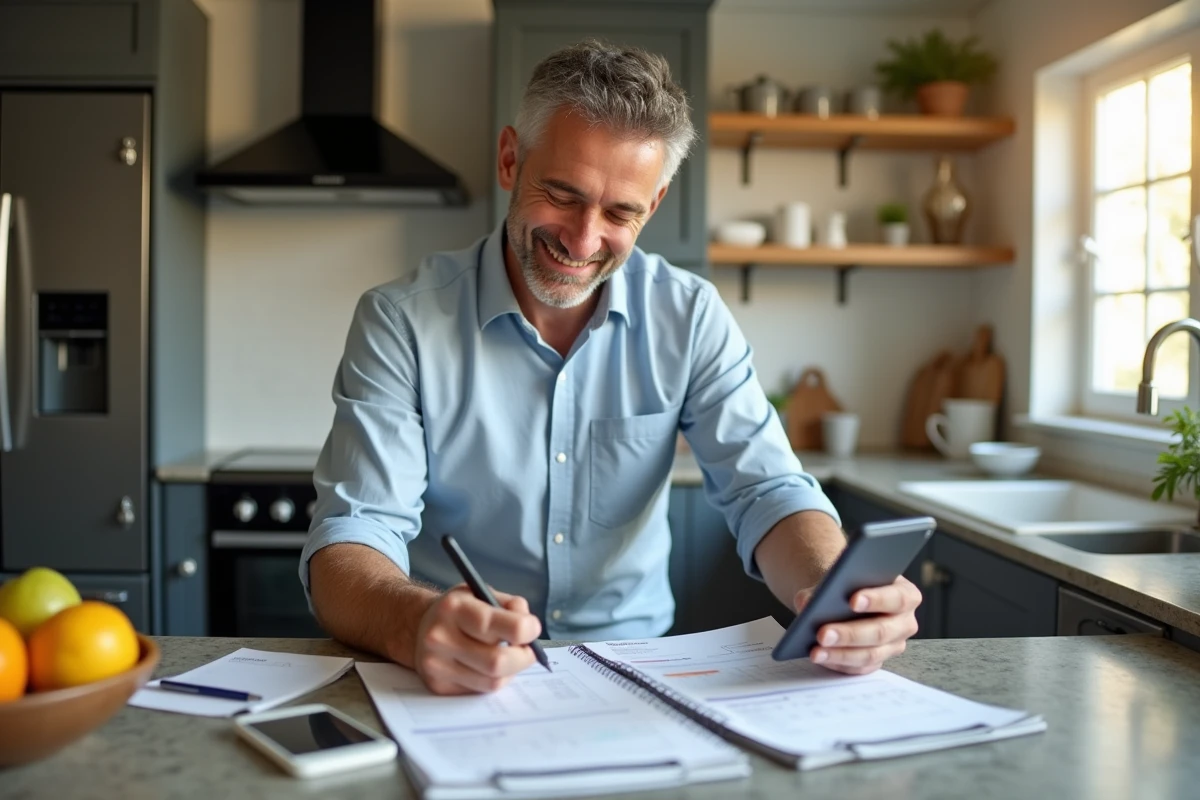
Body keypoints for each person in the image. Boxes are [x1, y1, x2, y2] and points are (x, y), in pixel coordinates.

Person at [301, 40, 921, 696]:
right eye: (562, 195)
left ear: (652, 206)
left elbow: (766, 489)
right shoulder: (402, 320)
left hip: (636, 673)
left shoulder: (688, 315)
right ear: (512, 159)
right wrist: (417, 620)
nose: (583, 238)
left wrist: (833, 587)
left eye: (620, 212)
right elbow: (354, 533)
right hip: (457, 673)